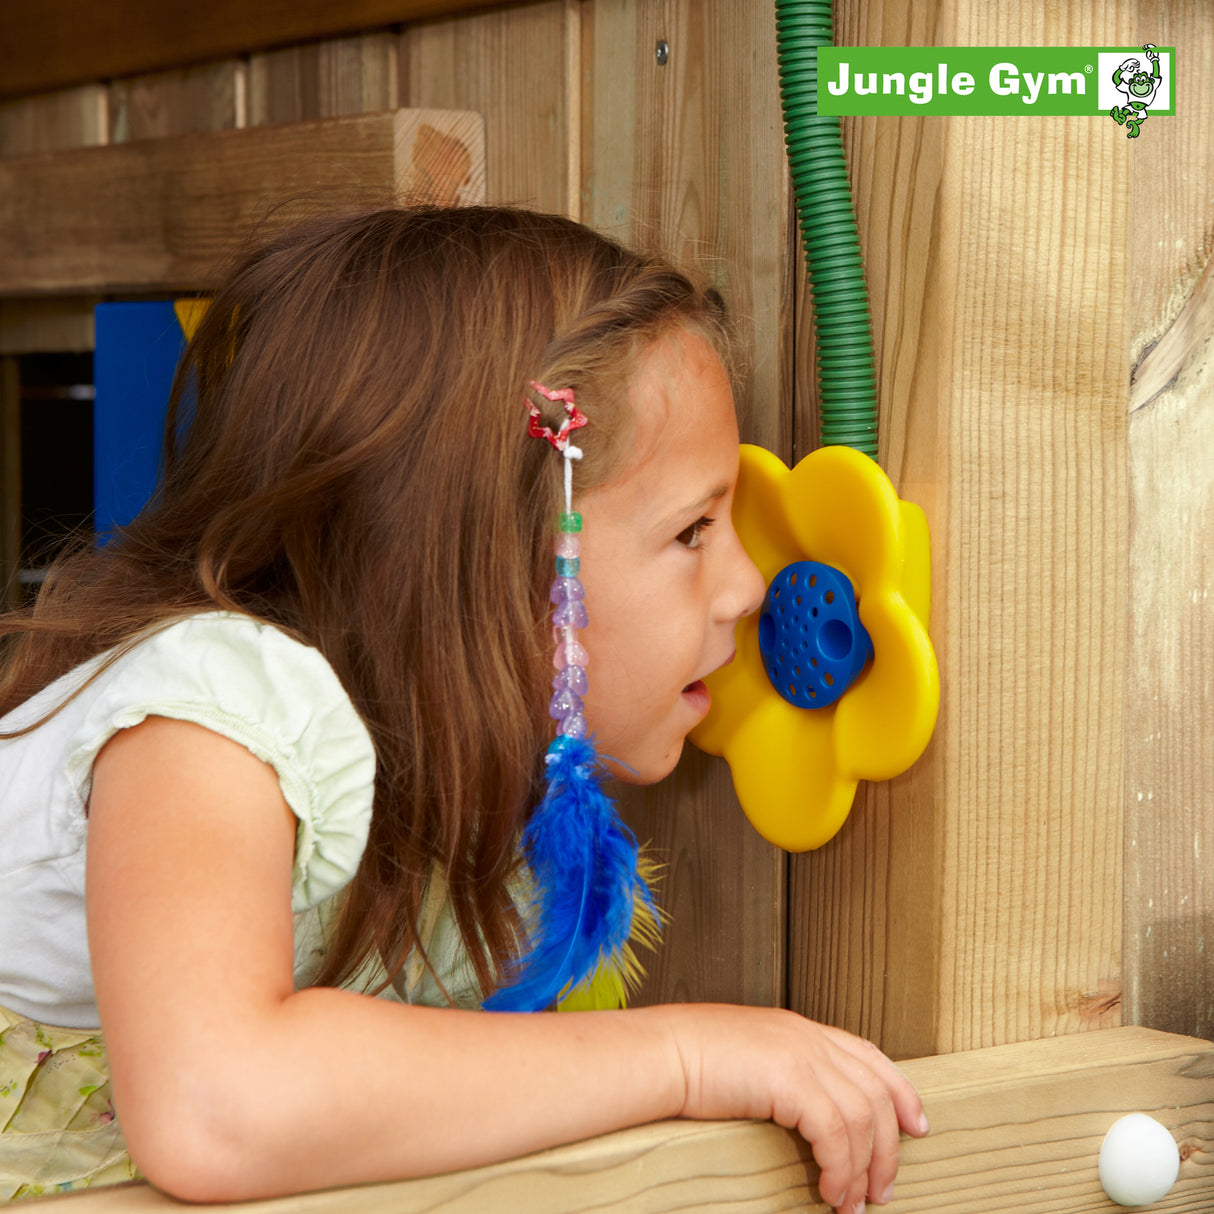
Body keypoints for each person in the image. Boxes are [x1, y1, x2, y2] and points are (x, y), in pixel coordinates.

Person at [0, 206, 927, 1211]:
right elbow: (212, 1106)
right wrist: (683, 1054)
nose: (750, 584)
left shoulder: (478, 767)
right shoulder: (210, 719)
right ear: (473, 559)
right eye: (694, 529)